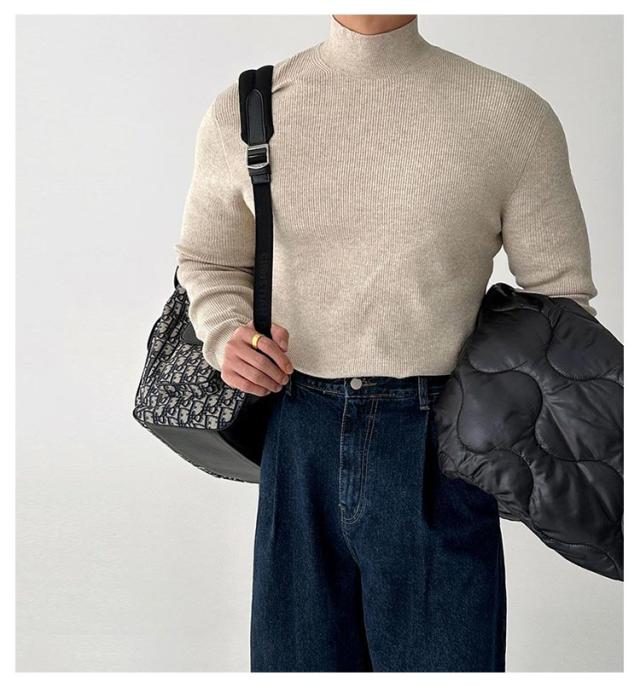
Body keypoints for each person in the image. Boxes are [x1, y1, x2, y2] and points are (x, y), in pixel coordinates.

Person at [175, 14, 597, 672]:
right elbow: (208, 259)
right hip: (297, 429)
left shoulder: (510, 114)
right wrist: (227, 332)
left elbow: (561, 301)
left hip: (442, 440)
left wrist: (502, 423)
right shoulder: (251, 106)